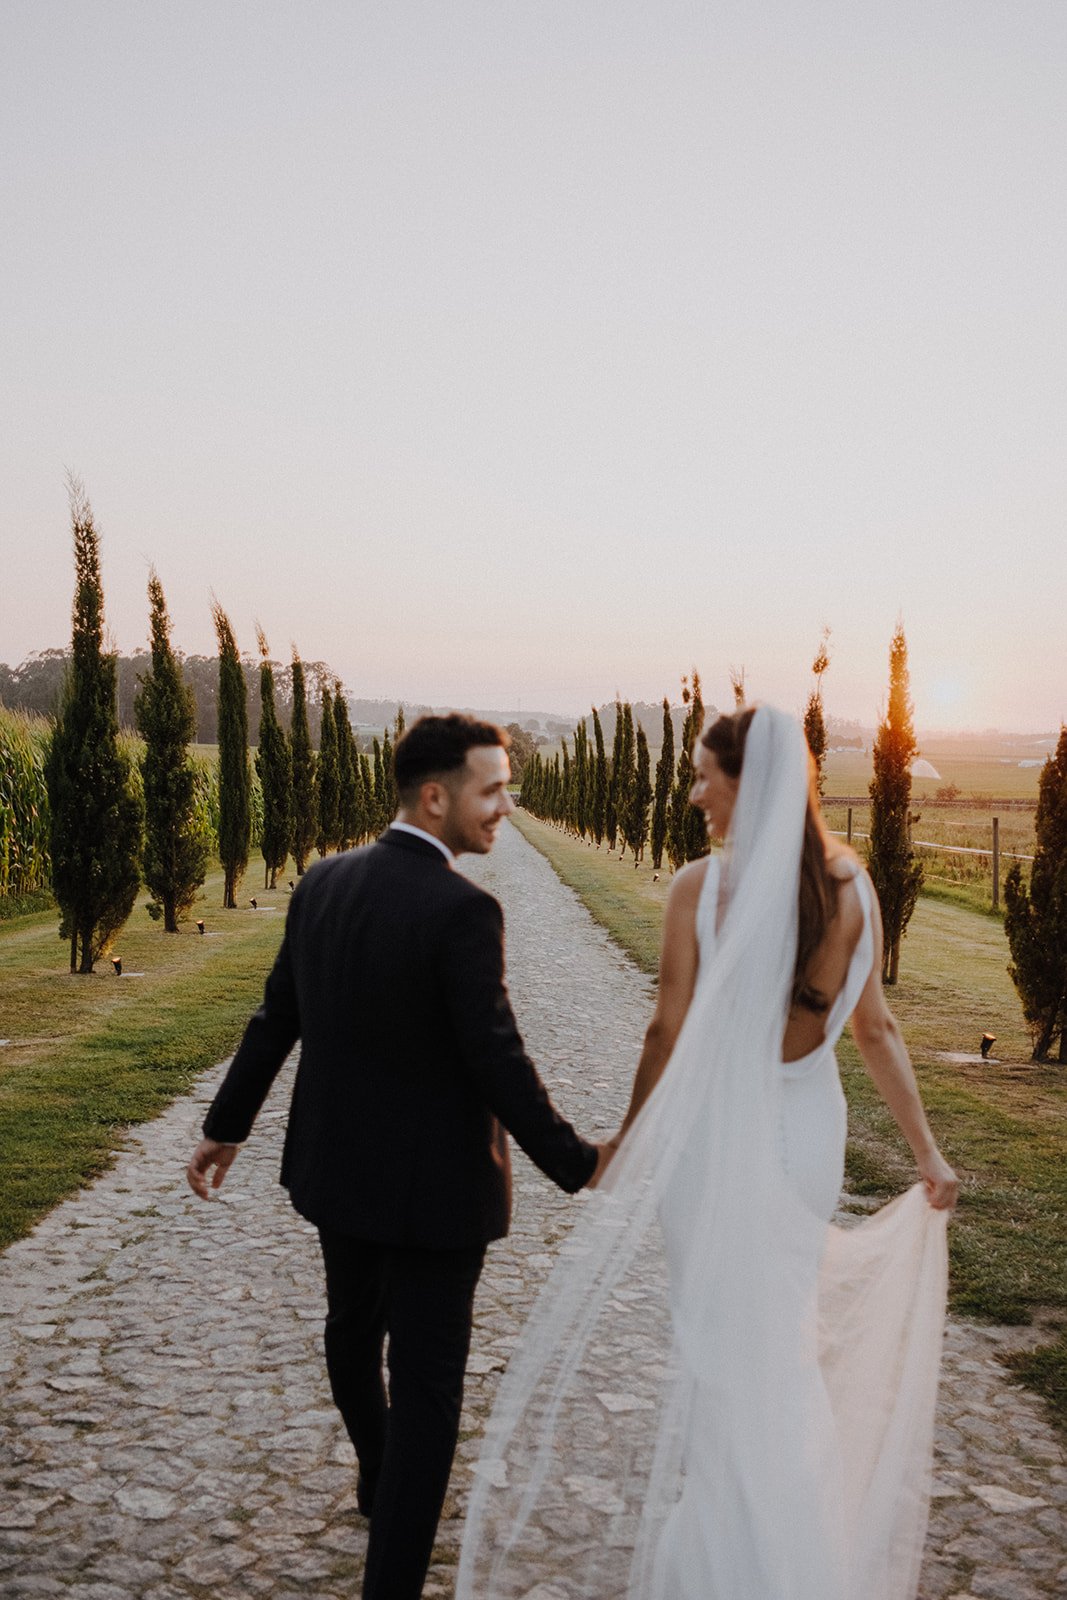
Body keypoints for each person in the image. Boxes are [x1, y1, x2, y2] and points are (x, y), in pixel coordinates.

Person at [457, 705, 956, 1600]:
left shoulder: (700, 890)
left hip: (717, 1144)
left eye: (703, 779)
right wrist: (927, 1154)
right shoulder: (853, 889)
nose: (691, 796)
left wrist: (629, 1136)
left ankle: (733, 1550)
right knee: (783, 1335)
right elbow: (875, 1031)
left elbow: (664, 1029)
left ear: (746, 786)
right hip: (808, 1139)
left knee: (721, 1343)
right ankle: (790, 1539)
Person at [186, 713, 609, 1600]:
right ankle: (392, 1551)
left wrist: (225, 1126)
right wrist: (576, 1160)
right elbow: (496, 1057)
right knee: (427, 1398)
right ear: (435, 795)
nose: (505, 806)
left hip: (338, 1177)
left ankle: (380, 1475)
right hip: (438, 1201)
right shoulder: (462, 908)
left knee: (350, 1332)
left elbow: (276, 1020)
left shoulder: (323, 883)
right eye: (491, 790)